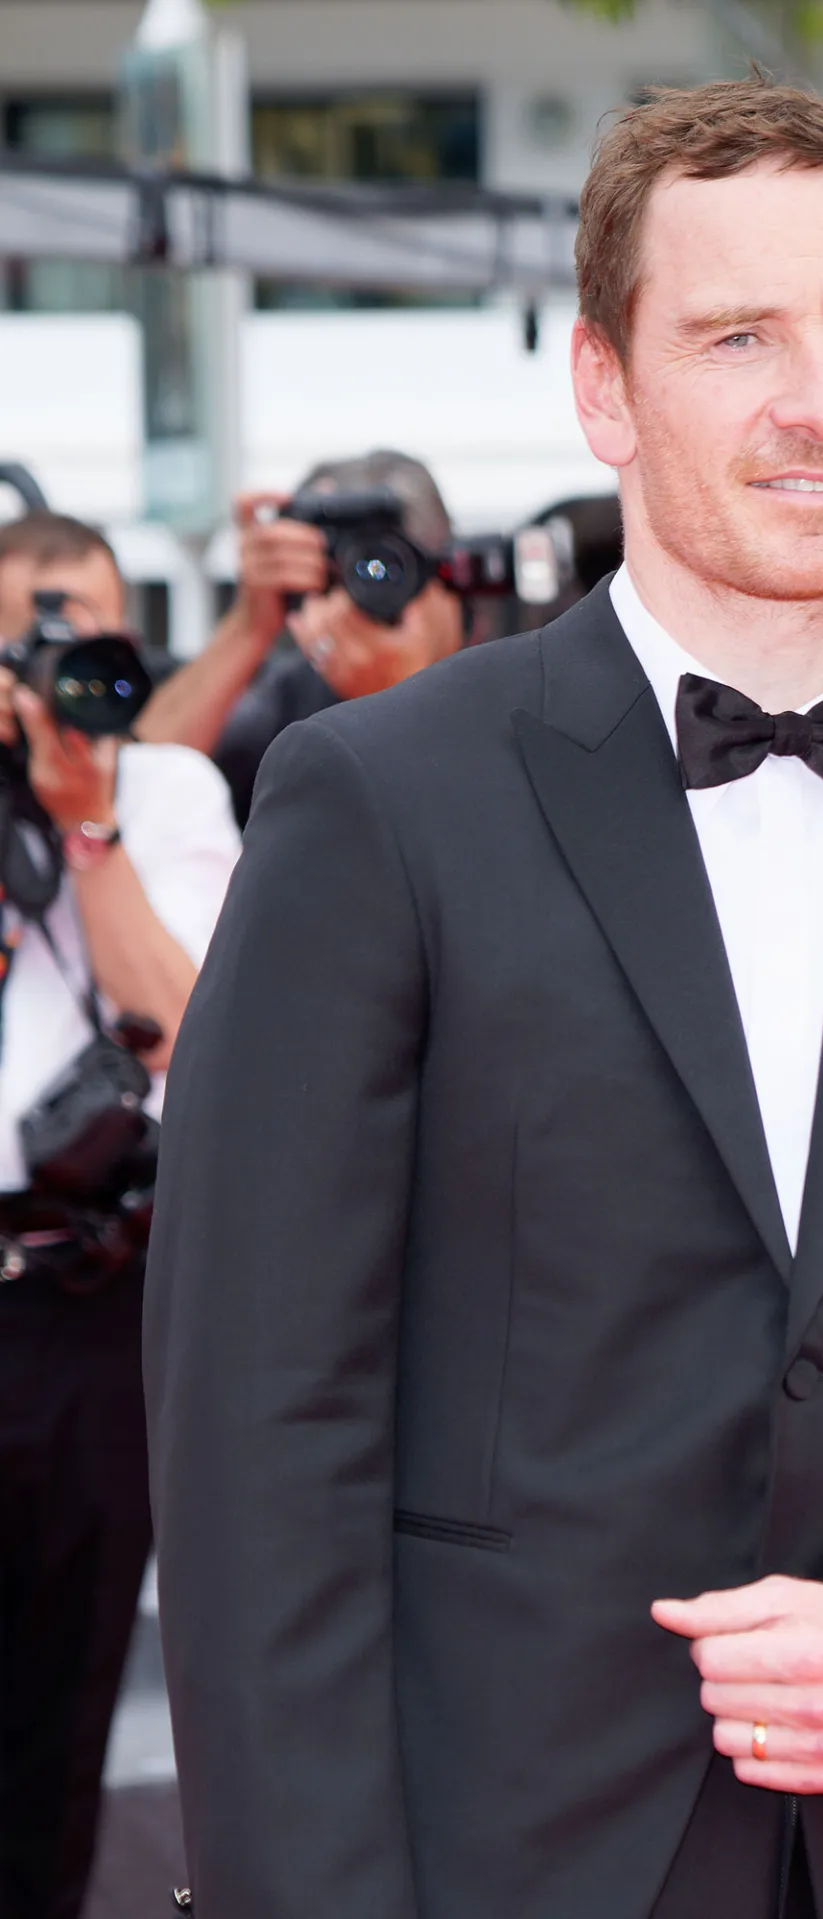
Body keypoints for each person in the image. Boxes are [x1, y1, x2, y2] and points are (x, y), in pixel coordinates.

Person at [145, 79, 823, 1919]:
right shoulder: (378, 805)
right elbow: (258, 1432)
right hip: (486, 1856)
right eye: (737, 337)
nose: (820, 401)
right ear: (604, 387)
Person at [0, 511, 238, 1919]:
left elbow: (198, 1036)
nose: (58, 660)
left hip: (90, 1297)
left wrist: (86, 825)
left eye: (82, 624)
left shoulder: (170, 790)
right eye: (28, 630)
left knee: (58, 1705)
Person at [134, 450, 463, 822]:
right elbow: (136, 801)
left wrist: (400, 700)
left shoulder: (507, 681)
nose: (364, 591)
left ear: (446, 567)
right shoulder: (286, 704)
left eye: (392, 565)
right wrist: (249, 627)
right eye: (341, 573)